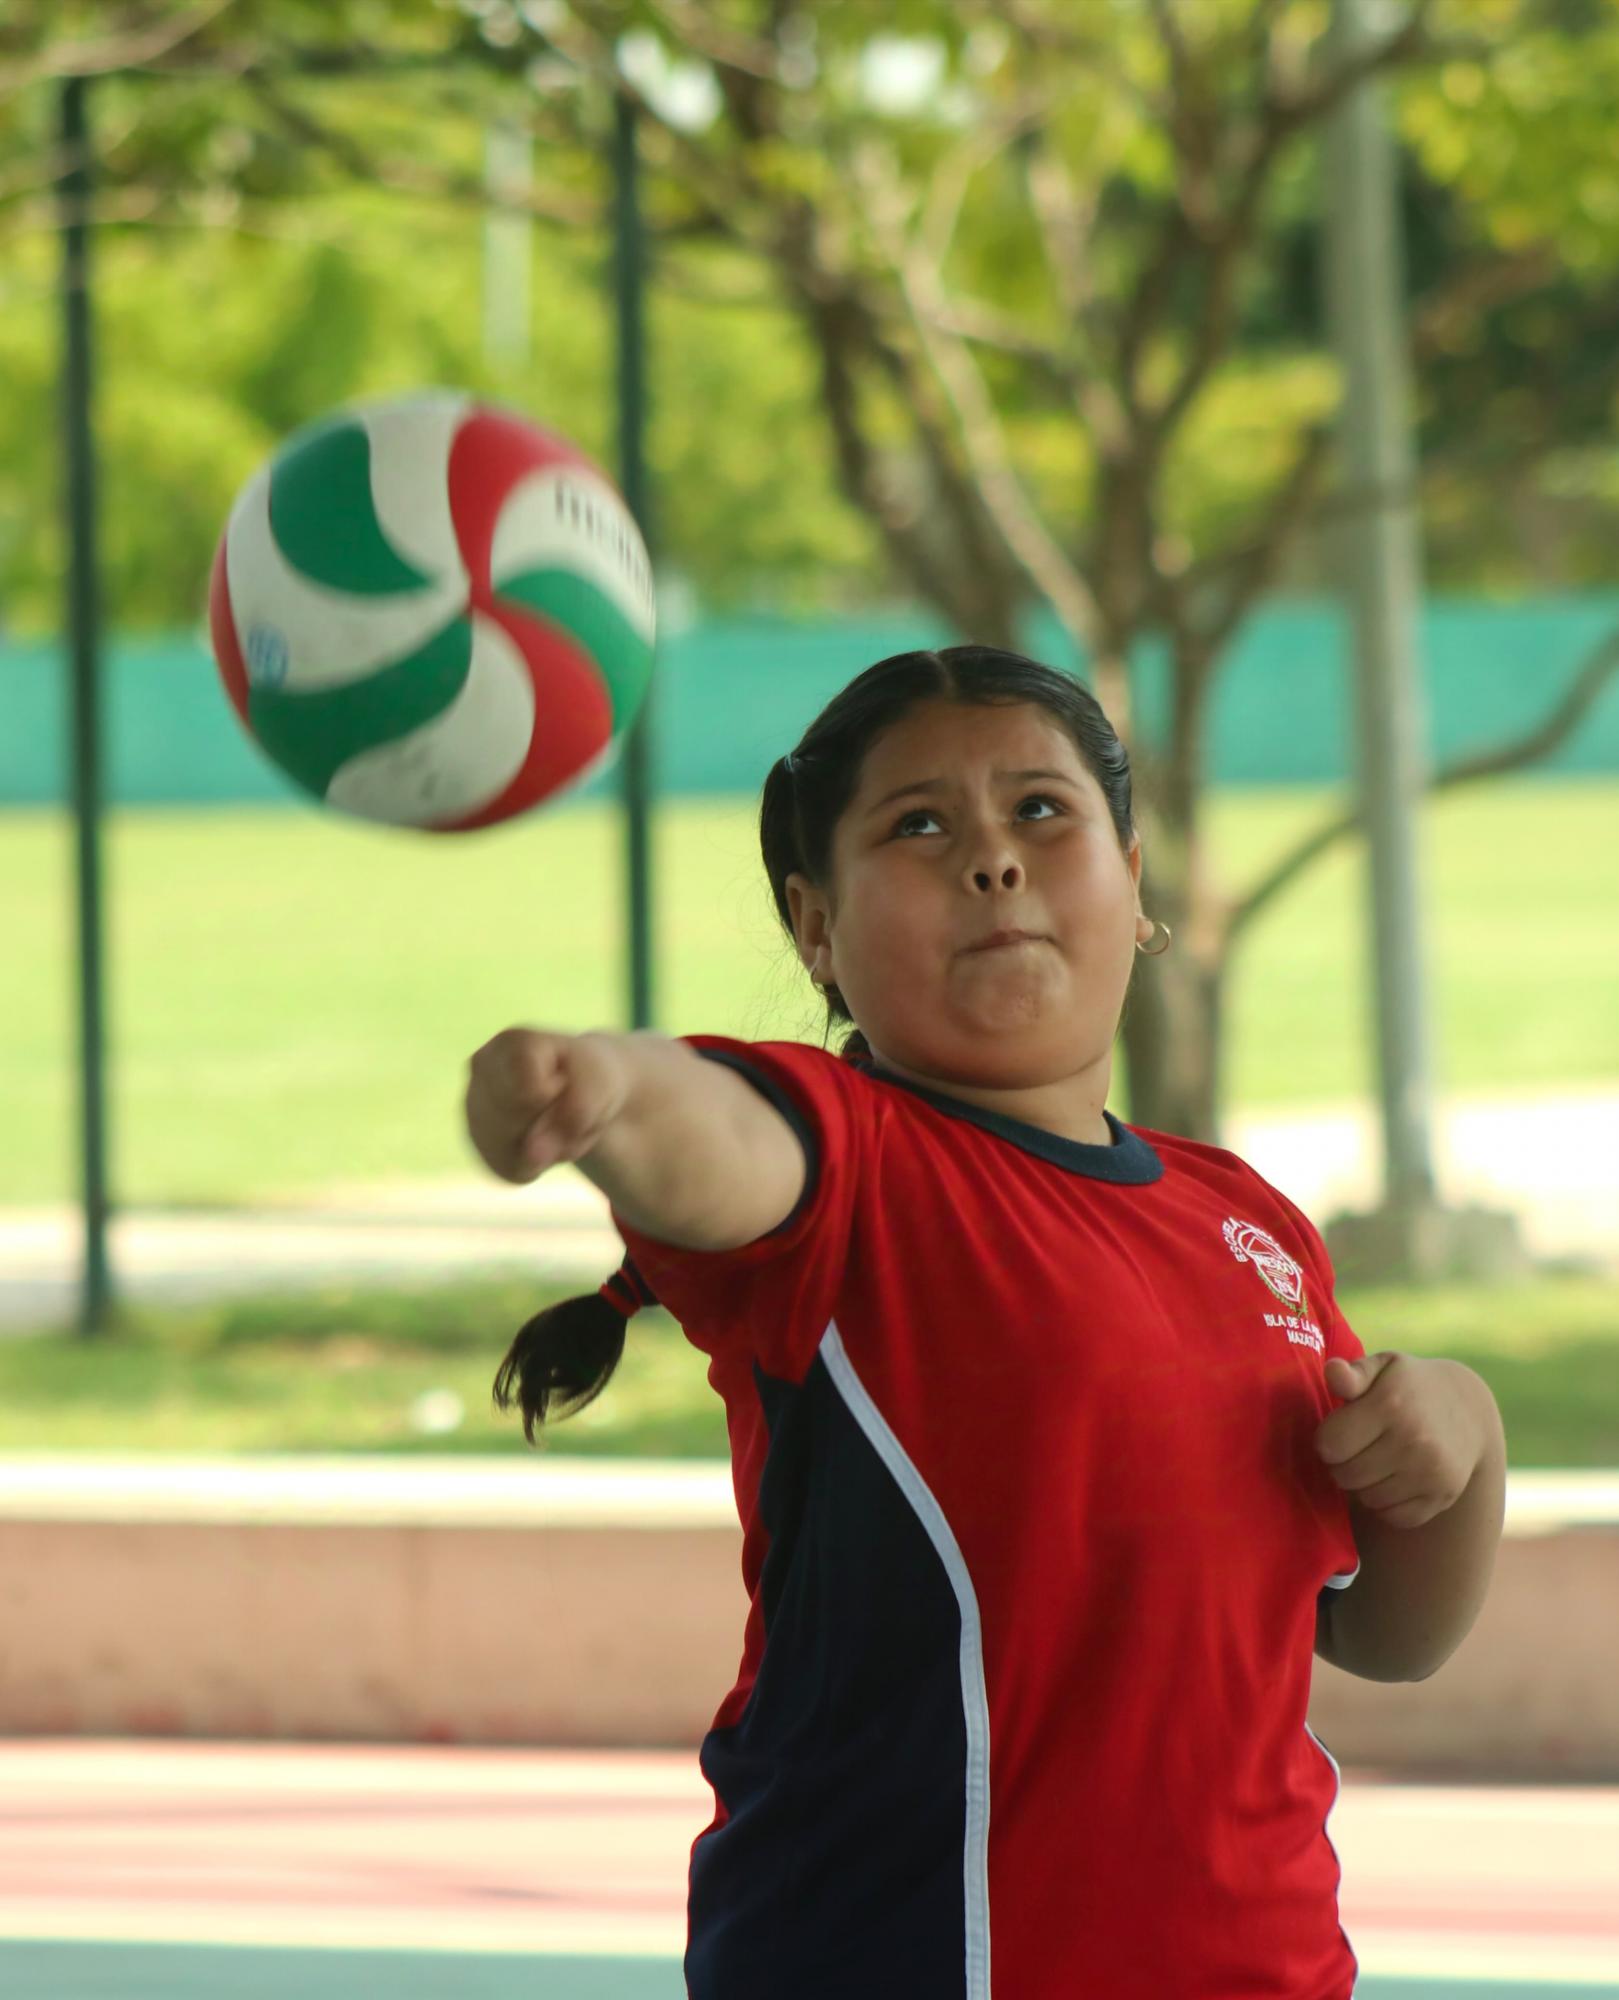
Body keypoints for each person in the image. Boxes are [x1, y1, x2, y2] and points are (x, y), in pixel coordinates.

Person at [464, 646, 1506, 2000]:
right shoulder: (852, 1166)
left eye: (1042, 812)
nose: (993, 860)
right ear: (815, 927)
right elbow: (712, 1130)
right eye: (919, 826)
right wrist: (600, 1087)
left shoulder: (1247, 1220)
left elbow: (1383, 1638)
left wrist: (1464, 1435)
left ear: (1135, 883)